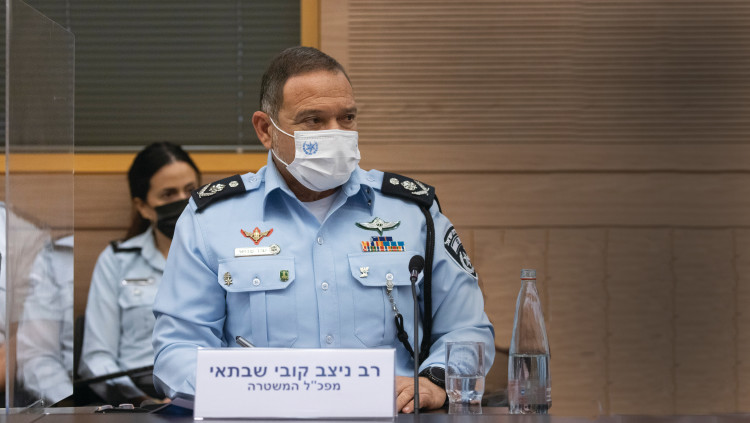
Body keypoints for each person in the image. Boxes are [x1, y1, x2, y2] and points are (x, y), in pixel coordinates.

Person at [152, 46, 495, 413]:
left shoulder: (414, 213)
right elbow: (177, 350)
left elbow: (468, 330)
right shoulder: (211, 220)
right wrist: (255, 390)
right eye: (313, 120)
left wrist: (436, 381)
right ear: (266, 130)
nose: (336, 133)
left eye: (347, 118)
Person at [80, 142, 200, 405]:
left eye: (190, 190)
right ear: (143, 207)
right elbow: (96, 358)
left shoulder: (220, 256)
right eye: (168, 194)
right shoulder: (116, 261)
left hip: (204, 393)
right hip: (138, 399)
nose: (183, 200)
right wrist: (142, 401)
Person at [16, 235, 74, 405]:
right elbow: (37, 354)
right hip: (66, 400)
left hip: (112, 395)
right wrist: (68, 403)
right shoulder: (54, 256)